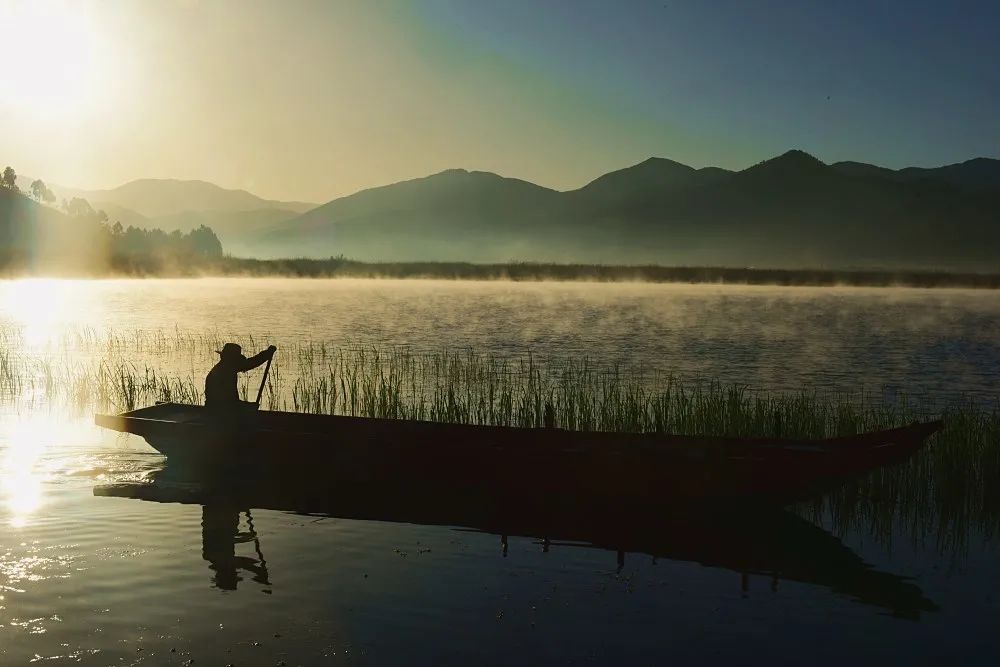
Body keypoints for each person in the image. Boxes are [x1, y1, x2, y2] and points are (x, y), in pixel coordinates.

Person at [204, 342, 276, 411]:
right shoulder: (225, 372)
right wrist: (249, 406)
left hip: (218, 408)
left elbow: (250, 363)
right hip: (219, 410)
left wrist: (267, 354)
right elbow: (229, 402)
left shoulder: (226, 368)